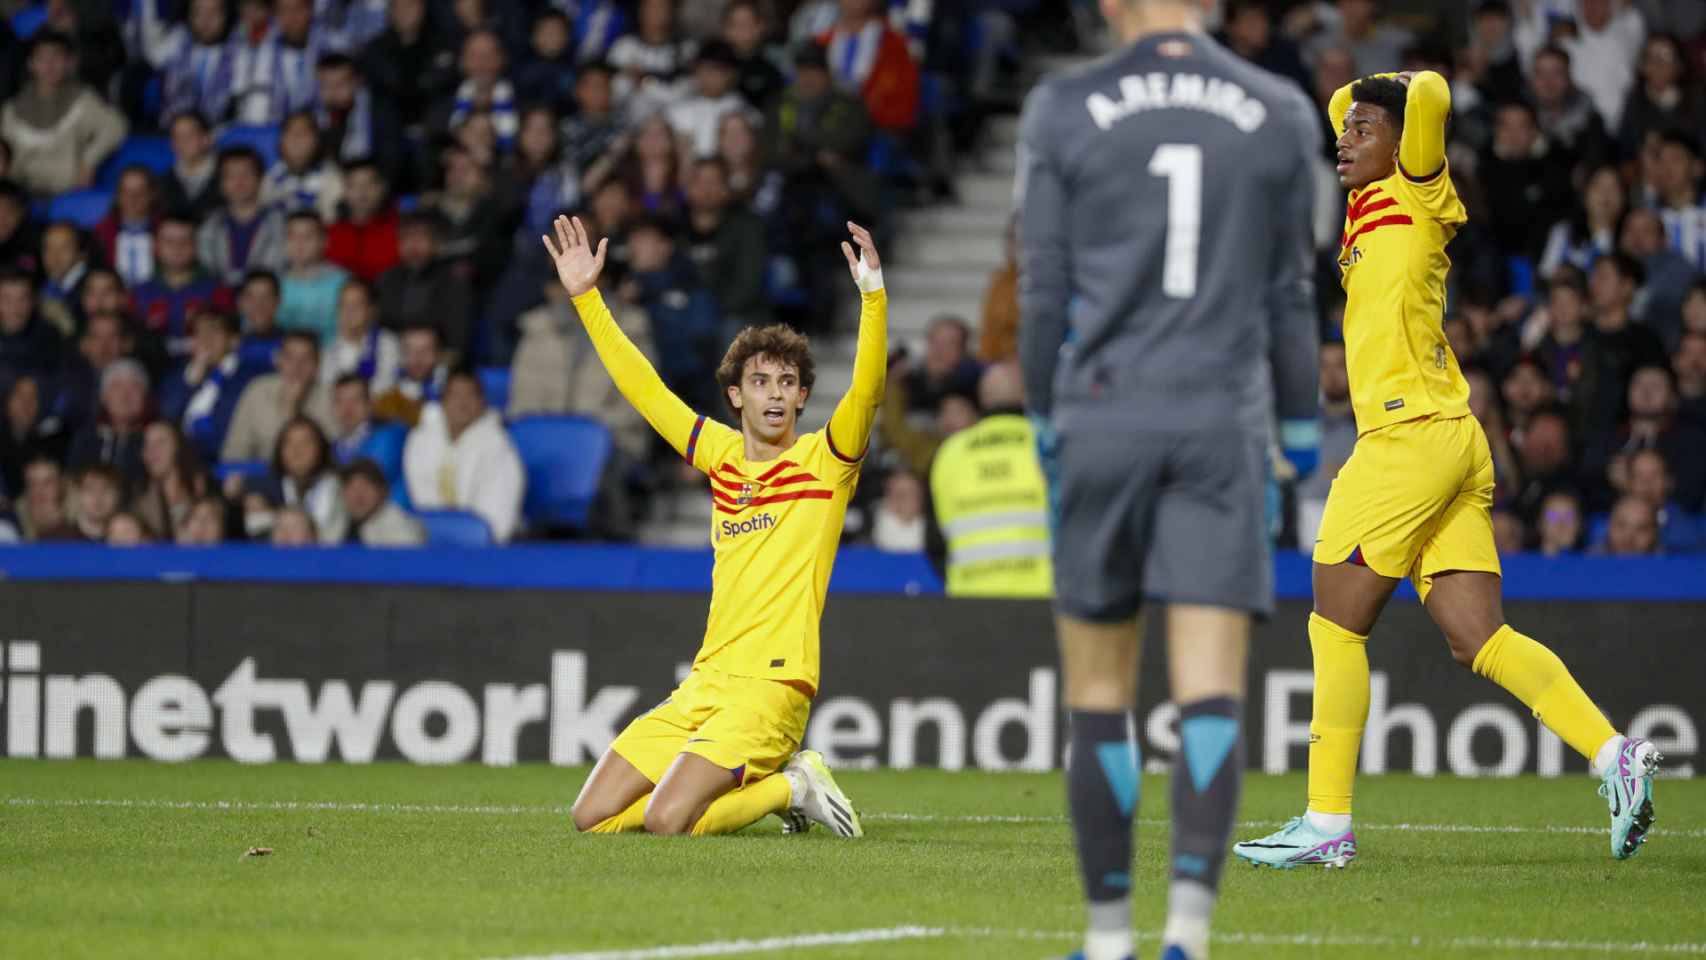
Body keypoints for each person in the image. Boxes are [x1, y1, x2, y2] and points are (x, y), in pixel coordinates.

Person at [1234, 67, 1661, 876]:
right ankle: (1615, 755)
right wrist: (1358, 109)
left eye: (1365, 130)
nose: (1346, 139)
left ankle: (1326, 821)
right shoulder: (1363, 203)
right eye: (1346, 131)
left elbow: (1427, 89)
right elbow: (1344, 112)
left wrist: (1383, 91)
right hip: (1452, 440)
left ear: (1402, 143)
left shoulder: (1422, 191)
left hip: (1407, 441)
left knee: (1333, 618)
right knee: (1479, 638)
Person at [1016, 4, 1320, 957]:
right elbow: (1290, 296)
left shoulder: (1063, 105)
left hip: (1105, 414)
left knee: (1100, 692)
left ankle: (1108, 937)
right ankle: (1187, 930)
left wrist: (1041, 419)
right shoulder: (1276, 109)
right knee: (1210, 693)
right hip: (1217, 423)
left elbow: (1042, 286)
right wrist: (1301, 432)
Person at [546, 214, 881, 839]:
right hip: (706, 683)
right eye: (761, 382)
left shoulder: (825, 464)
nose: (776, 394)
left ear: (804, 397)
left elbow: (866, 390)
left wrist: (873, 298)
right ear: (737, 396)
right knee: (591, 818)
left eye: (788, 382)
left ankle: (792, 783)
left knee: (671, 821)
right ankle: (772, 786)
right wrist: (586, 298)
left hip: (773, 687)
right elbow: (646, 392)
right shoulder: (721, 457)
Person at [925, 362, 1049, 596]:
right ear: (1027, 397)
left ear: (983, 400)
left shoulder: (950, 452)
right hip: (1042, 595)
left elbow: (934, 542)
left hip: (969, 597)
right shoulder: (1047, 444)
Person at [0, 32, 126, 197]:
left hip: (67, 192)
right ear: (31, 64)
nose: (49, 65)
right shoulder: (11, 110)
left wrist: (89, 161)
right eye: (42, 58)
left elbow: (116, 128)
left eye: (56, 57)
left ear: (69, 63)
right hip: (18, 194)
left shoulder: (84, 101)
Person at [402, 369, 523, 542]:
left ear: (482, 402)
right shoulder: (419, 439)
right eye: (455, 395)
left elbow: (498, 516)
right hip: (428, 544)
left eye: (470, 395)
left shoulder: (498, 446)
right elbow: (420, 496)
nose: (462, 403)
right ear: (443, 401)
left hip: (480, 552)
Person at [222, 330, 334, 461]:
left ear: (317, 365)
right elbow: (235, 449)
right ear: (278, 360)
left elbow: (325, 456)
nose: (296, 367)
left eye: (306, 359)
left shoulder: (330, 396)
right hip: (261, 476)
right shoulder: (258, 389)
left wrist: (290, 408)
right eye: (290, 358)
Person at [197, 147, 289, 286]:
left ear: (260, 178)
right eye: (231, 176)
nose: (239, 182)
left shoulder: (281, 223)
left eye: (246, 174)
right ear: (221, 183)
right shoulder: (208, 226)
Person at [321, 279, 400, 393]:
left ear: (372, 310)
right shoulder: (328, 345)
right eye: (343, 304)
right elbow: (327, 387)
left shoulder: (388, 344)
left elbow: (386, 390)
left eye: (356, 305)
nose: (349, 311)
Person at [324, 457, 425, 545]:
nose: (358, 496)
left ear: (383, 491)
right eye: (351, 488)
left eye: (365, 487)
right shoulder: (337, 520)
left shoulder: (400, 526)